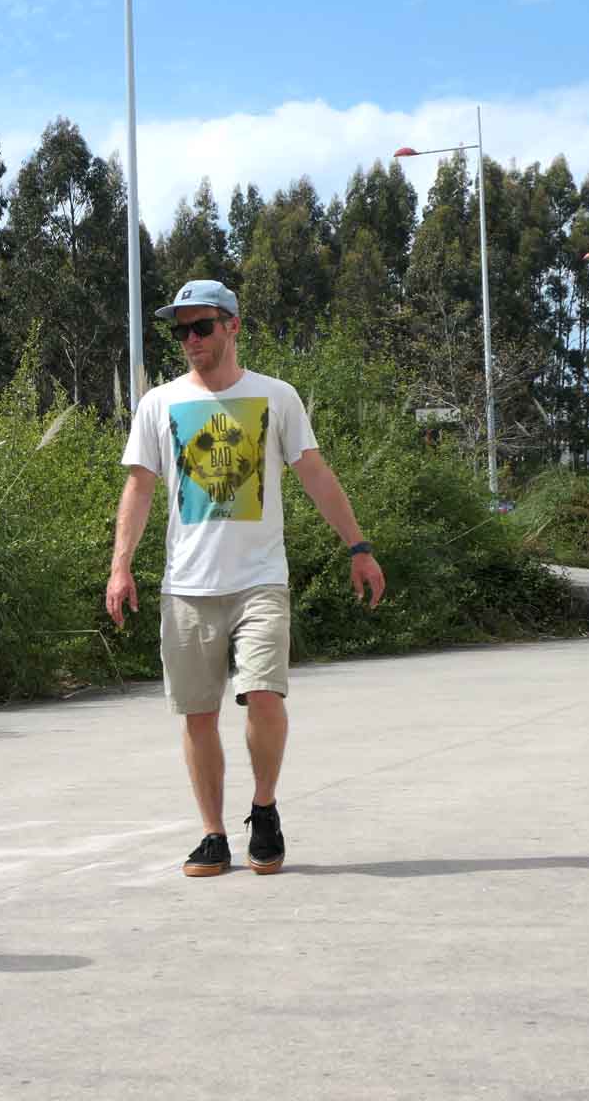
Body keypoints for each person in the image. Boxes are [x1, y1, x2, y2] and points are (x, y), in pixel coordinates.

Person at [104, 279, 385, 878]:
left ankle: (263, 809)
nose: (190, 340)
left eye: (201, 327)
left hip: (260, 579)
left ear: (233, 325)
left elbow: (313, 472)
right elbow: (140, 487)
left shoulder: (276, 397)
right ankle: (212, 835)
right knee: (198, 713)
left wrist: (358, 547)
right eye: (180, 331)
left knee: (263, 693)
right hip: (186, 585)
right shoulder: (159, 403)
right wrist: (120, 566)